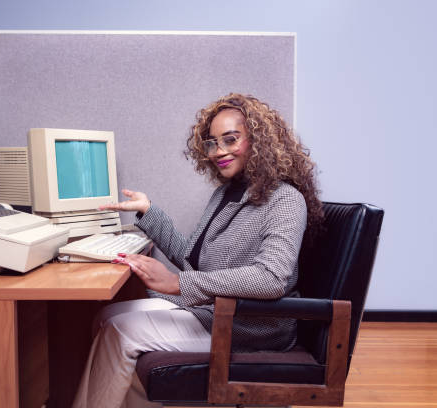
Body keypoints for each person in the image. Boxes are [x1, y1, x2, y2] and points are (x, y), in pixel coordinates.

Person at [72, 93, 324, 408]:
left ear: (259, 141)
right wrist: (149, 211)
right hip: (217, 313)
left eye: (230, 140)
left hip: (250, 327)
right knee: (107, 316)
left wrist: (178, 283)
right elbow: (193, 260)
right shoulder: (225, 195)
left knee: (121, 333)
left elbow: (271, 278)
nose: (219, 151)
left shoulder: (285, 199)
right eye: (212, 143)